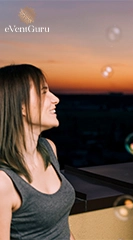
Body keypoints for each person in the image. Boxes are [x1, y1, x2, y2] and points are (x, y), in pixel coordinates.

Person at [0, 64, 76, 239]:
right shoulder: (4, 182)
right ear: (21, 106)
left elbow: (60, 227)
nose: (55, 99)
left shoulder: (49, 149)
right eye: (43, 92)